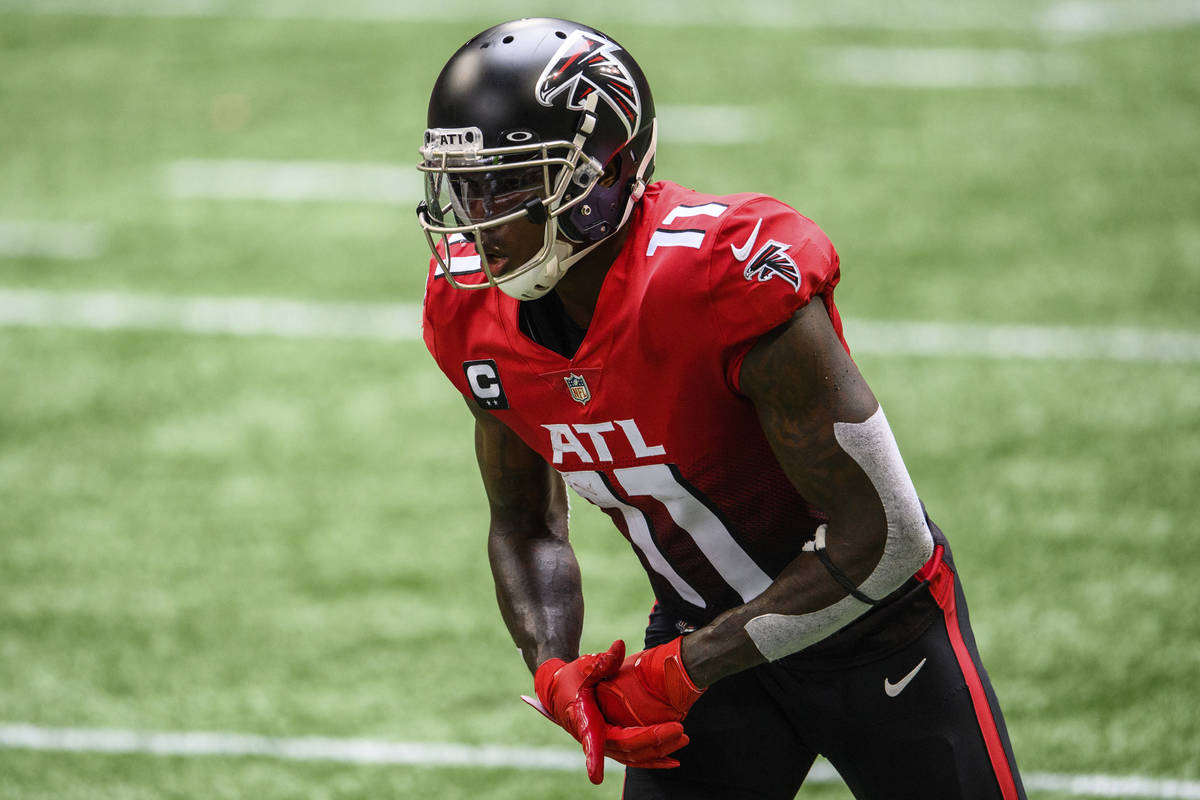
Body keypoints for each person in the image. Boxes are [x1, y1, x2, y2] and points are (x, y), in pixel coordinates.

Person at [415, 17, 1025, 800]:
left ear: (605, 173)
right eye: (463, 186)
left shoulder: (716, 276)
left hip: (870, 626)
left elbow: (887, 536)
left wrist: (683, 668)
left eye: (508, 183)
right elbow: (524, 524)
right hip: (701, 636)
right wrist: (552, 662)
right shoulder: (472, 317)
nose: (478, 217)